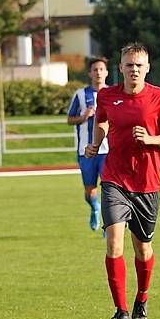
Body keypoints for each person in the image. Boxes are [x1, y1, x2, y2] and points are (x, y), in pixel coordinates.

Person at [84, 42, 160, 319]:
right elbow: (101, 121)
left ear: (147, 68)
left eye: (139, 65)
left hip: (147, 183)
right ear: (121, 67)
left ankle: (141, 299)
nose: (134, 69)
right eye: (129, 64)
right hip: (114, 178)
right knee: (113, 241)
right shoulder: (107, 96)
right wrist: (95, 142)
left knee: (142, 248)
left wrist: (151, 140)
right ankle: (121, 311)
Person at [67, 57, 110, 232]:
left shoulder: (114, 93)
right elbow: (70, 119)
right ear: (89, 73)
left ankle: (109, 226)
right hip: (86, 151)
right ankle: (94, 208)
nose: (98, 72)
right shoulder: (80, 94)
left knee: (110, 190)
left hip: (109, 150)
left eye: (101, 69)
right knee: (90, 190)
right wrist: (83, 117)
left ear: (106, 72)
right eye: (95, 69)